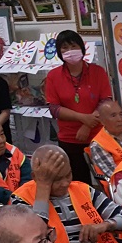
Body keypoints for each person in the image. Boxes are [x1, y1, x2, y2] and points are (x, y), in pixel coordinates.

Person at [44, 30, 112, 183]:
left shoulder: (98, 72)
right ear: (59, 52)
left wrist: (88, 125)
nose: (69, 51)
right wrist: (84, 119)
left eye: (73, 46)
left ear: (82, 48)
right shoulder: (53, 76)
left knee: (106, 180)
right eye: (64, 48)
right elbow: (54, 108)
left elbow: (105, 102)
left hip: (99, 136)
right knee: (79, 183)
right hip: (69, 139)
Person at [87, 99, 122, 188]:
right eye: (113, 116)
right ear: (102, 121)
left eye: (121, 114)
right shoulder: (98, 144)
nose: (119, 119)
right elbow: (113, 174)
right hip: (121, 185)